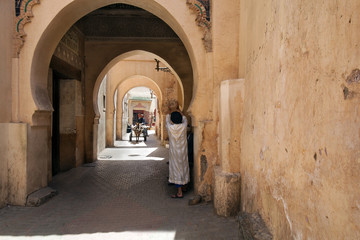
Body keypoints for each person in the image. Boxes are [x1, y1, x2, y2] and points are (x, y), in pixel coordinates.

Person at [166, 105, 190, 198]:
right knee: (183, 167)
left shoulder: (169, 127)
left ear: (172, 120)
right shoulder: (184, 126)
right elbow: (184, 118)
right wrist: (179, 111)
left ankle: (179, 192)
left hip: (174, 154)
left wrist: (169, 111)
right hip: (183, 153)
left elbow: (167, 120)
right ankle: (184, 187)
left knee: (176, 169)